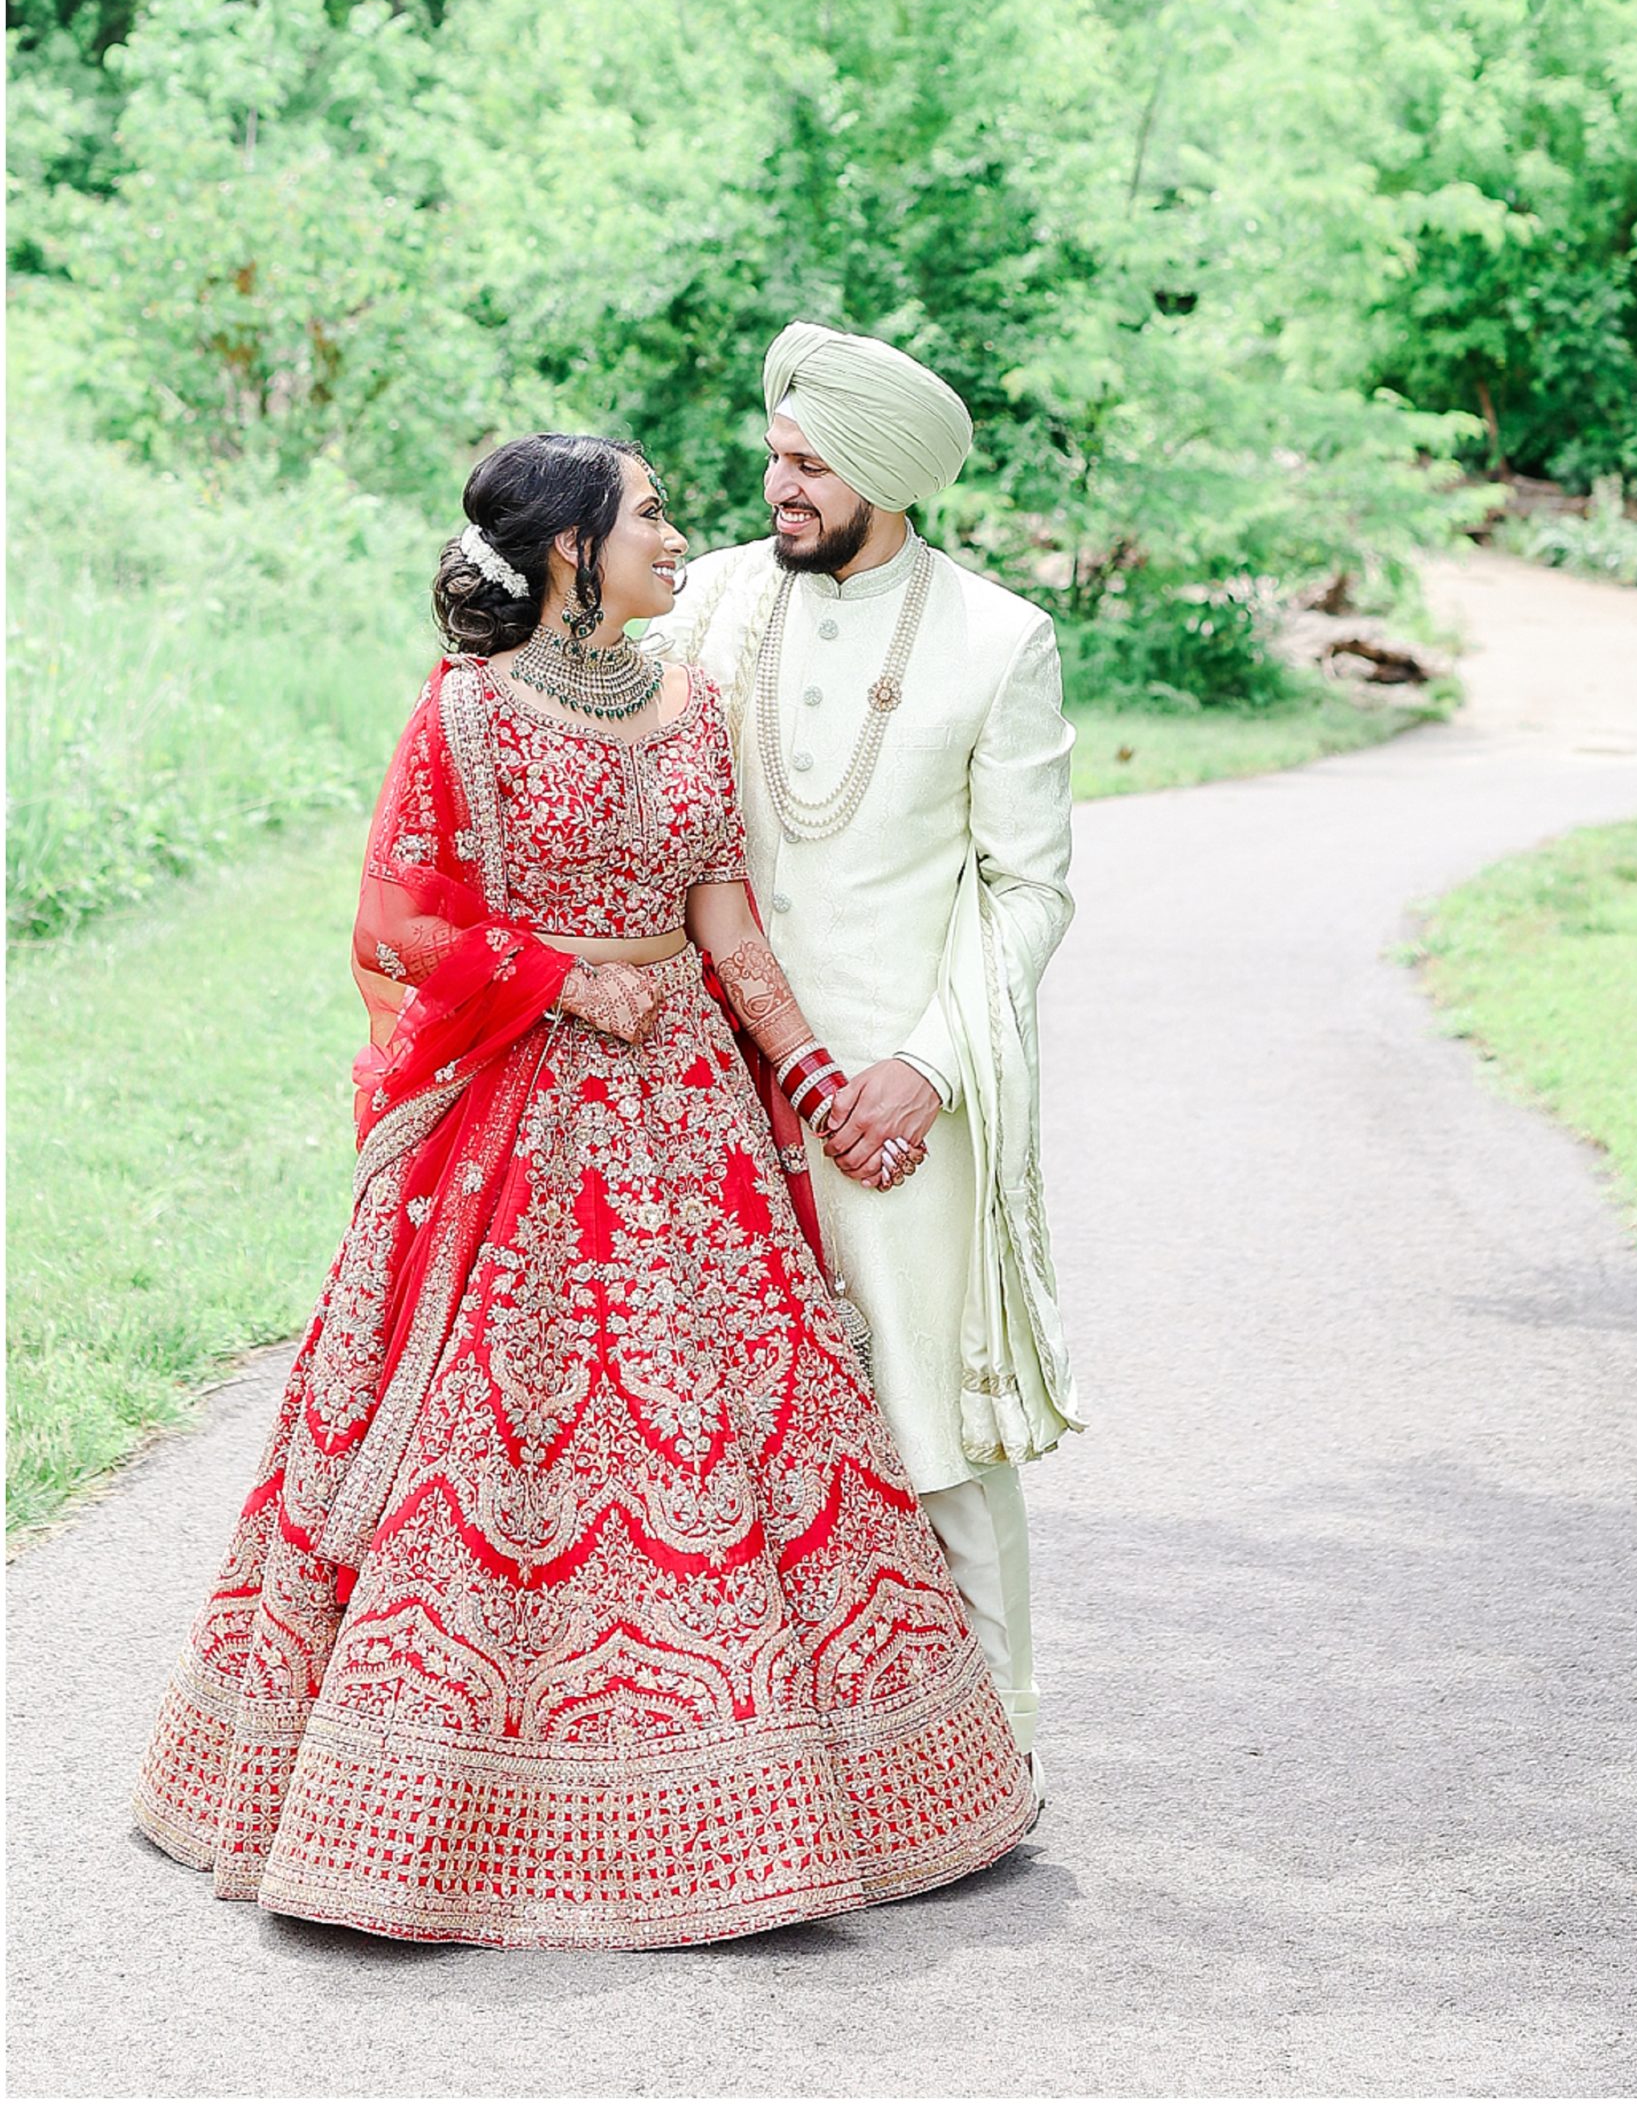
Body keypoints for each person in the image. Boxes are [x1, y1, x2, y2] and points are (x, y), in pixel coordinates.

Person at [132, 432, 1036, 1950]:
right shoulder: (463, 716)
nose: (676, 537)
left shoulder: (689, 707)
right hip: (518, 1122)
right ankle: (430, 1813)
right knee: (492, 1434)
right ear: (570, 552)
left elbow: (730, 931)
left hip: (691, 1122)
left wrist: (819, 1084)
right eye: (650, 516)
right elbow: (400, 919)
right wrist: (555, 980)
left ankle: (781, 1795)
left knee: (738, 1422)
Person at [646, 321, 1083, 1795]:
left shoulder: (996, 638)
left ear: (884, 477)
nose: (777, 483)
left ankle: (995, 1751)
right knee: (720, 1419)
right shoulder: (705, 606)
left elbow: (1027, 890)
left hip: (899, 1096)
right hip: (709, 1082)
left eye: (806, 463)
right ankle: (770, 1758)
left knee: (928, 1425)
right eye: (775, 453)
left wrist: (929, 1068)